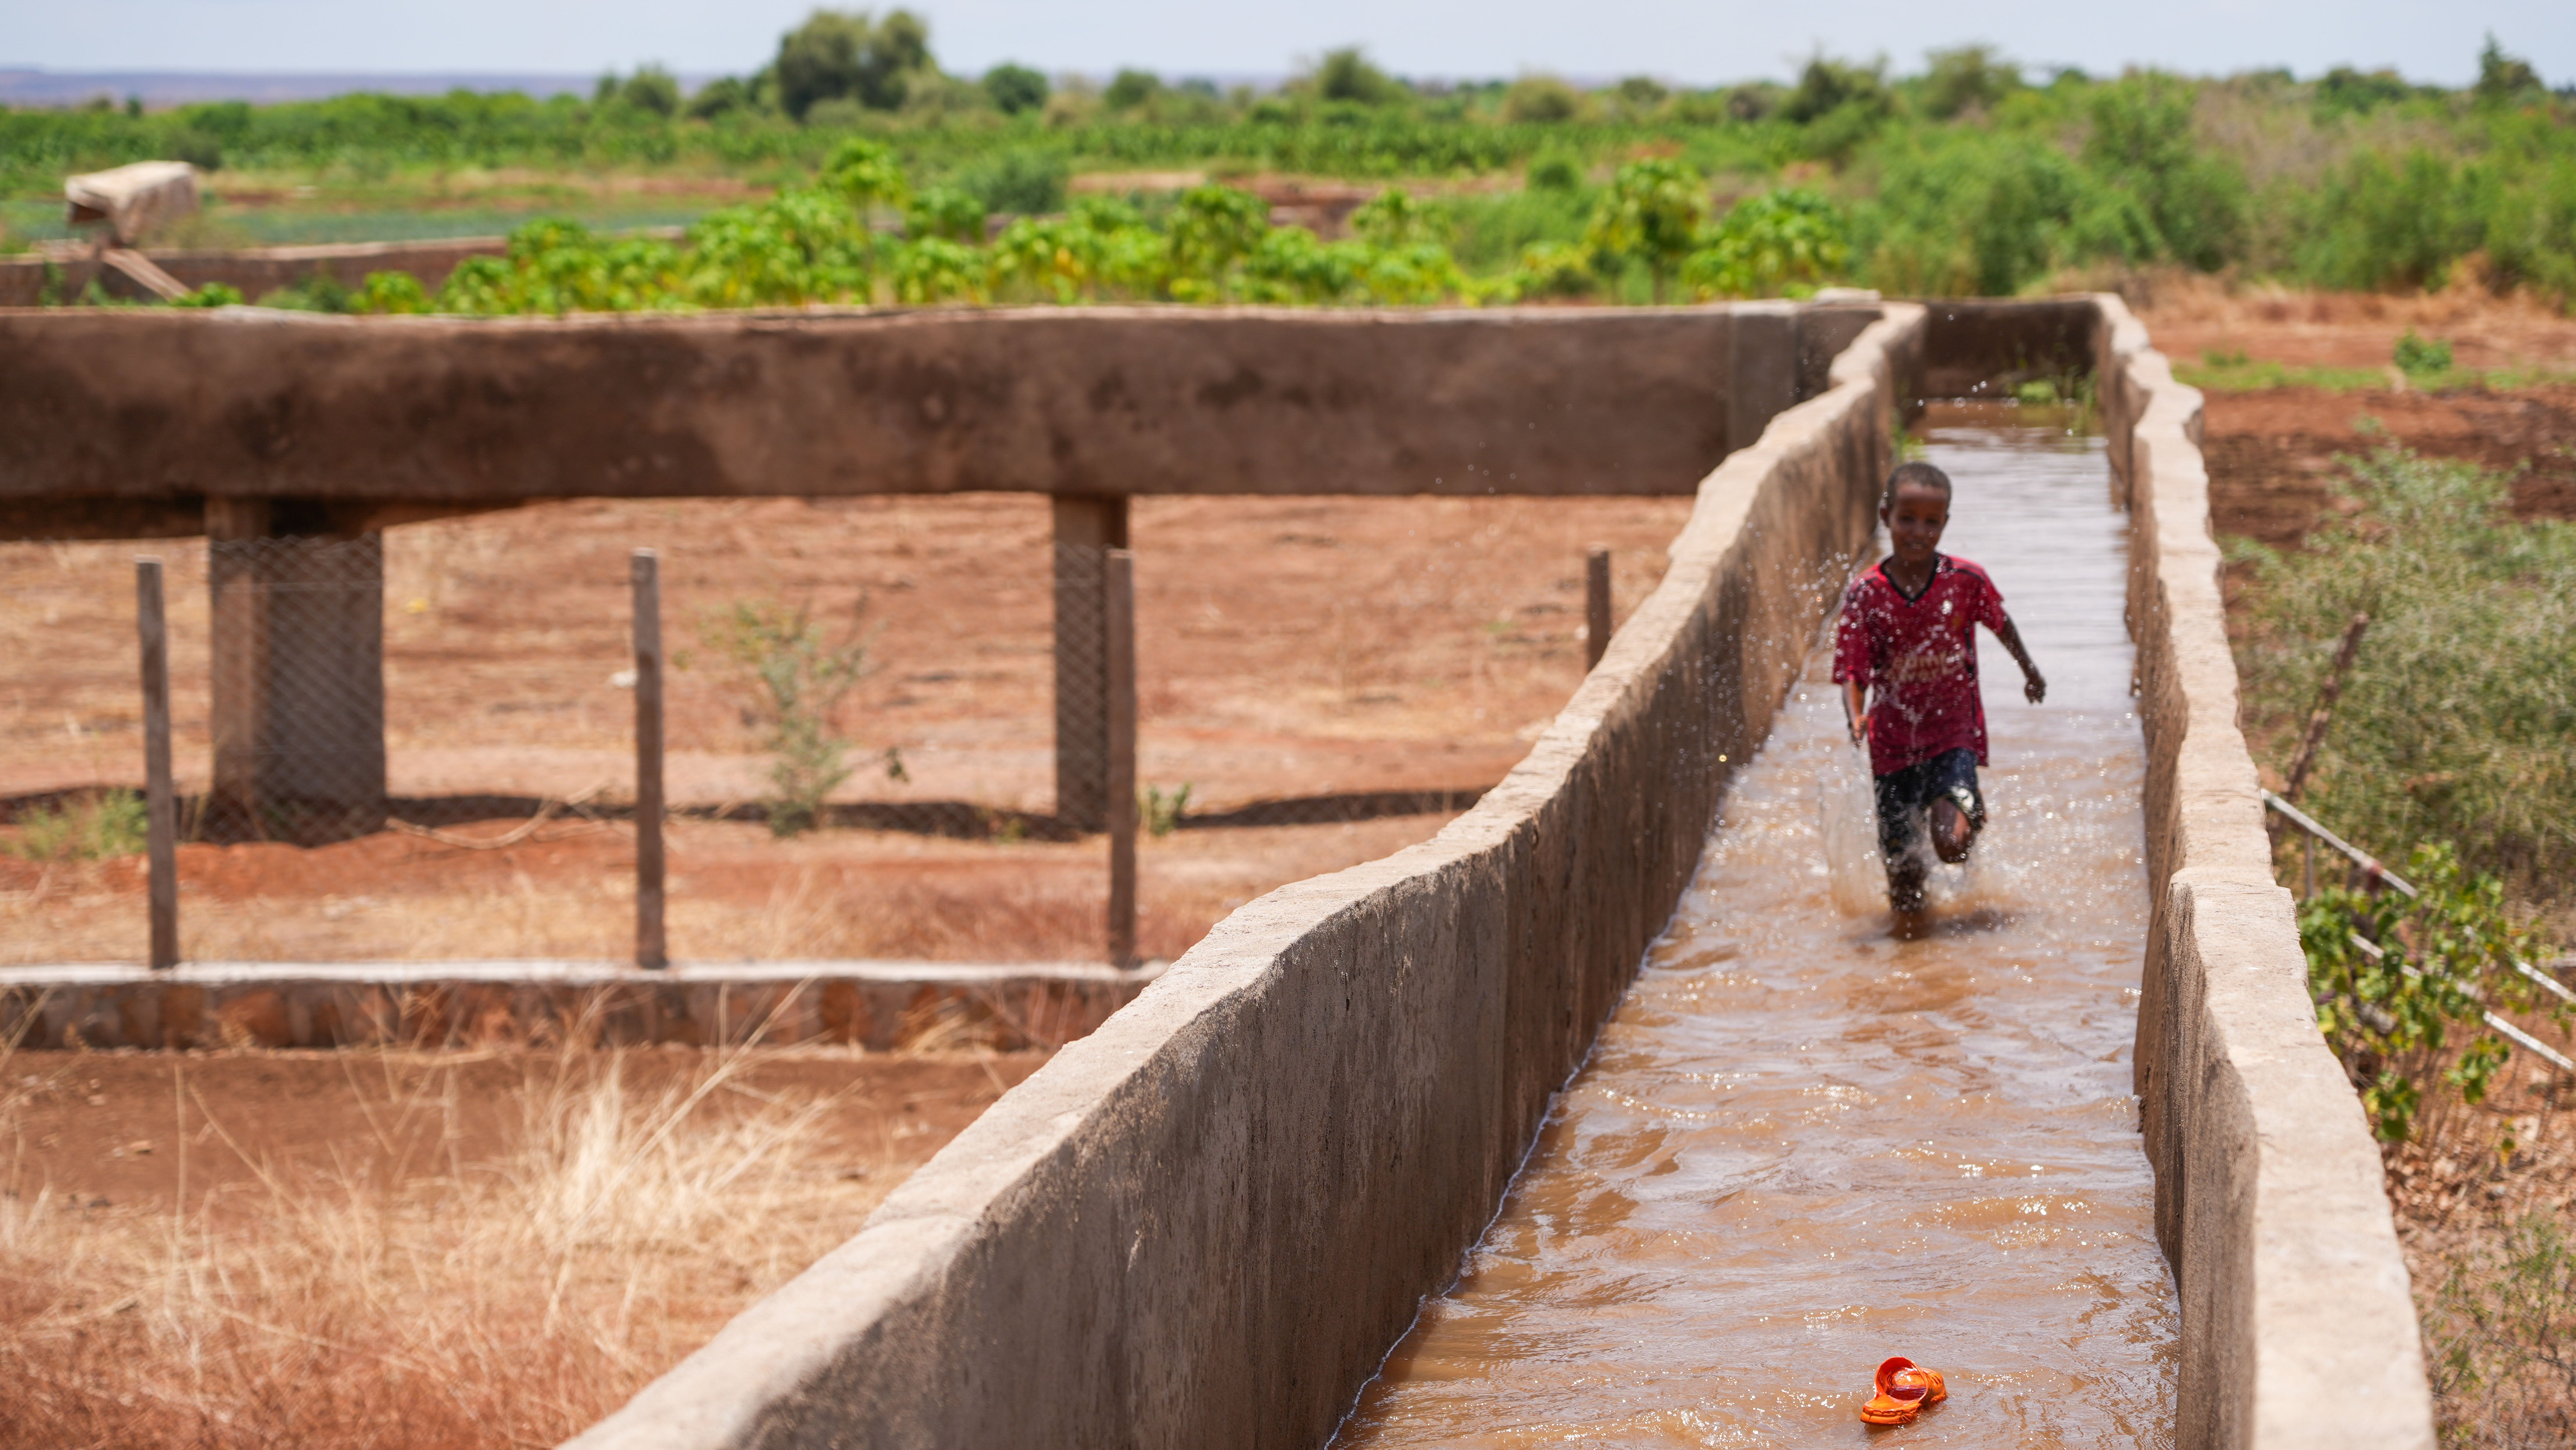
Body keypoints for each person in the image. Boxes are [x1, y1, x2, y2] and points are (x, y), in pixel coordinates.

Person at [1833, 460, 2045, 927]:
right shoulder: (1867, 593)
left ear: (1945, 524)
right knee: (1905, 889)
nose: (1918, 531)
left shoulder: (1965, 581)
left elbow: (2000, 623)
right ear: (1886, 515)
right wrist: (1855, 715)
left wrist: (2029, 669)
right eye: (1907, 518)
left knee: (1950, 843)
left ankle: (1969, 812)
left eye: (1932, 522)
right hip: (1892, 746)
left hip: (1953, 733)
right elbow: (1853, 666)